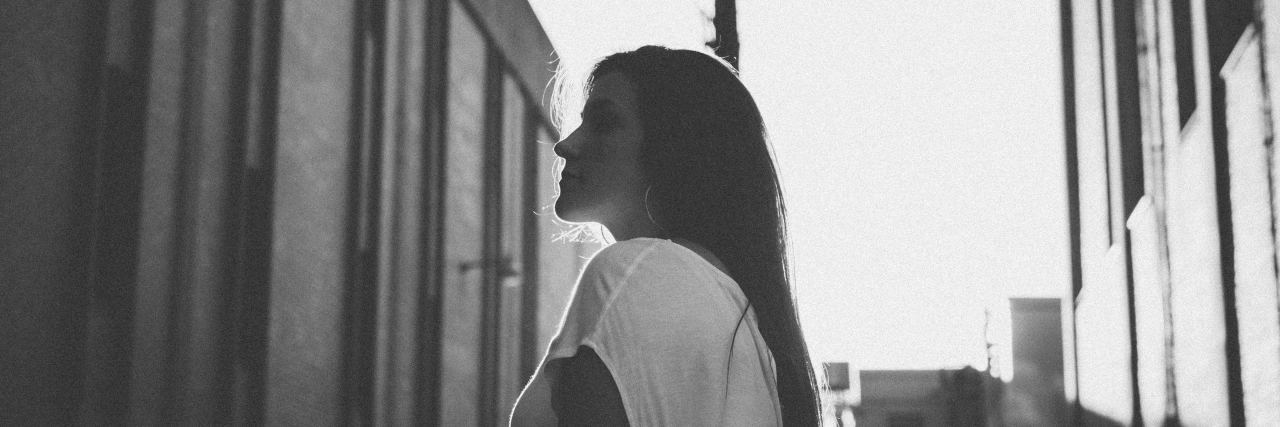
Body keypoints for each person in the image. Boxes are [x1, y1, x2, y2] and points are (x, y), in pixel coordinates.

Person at [509, 45, 821, 426]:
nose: (565, 144)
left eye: (604, 123)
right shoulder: (745, 326)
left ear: (674, 148)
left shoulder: (633, 273)